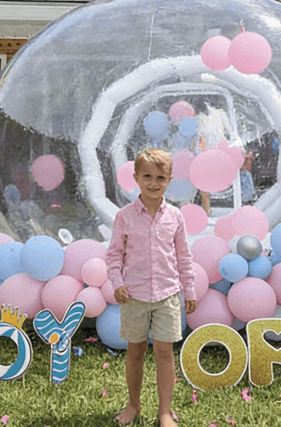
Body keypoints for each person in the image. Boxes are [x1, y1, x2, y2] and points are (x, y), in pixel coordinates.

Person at [106, 148, 197, 427]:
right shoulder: (124, 216)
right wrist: (117, 283)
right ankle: (133, 404)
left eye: (160, 177)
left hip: (167, 295)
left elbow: (183, 256)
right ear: (136, 177)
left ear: (169, 180)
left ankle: (165, 412)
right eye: (147, 176)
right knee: (135, 351)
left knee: (164, 352)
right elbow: (113, 256)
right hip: (134, 295)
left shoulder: (175, 217)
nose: (153, 183)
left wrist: (189, 290)